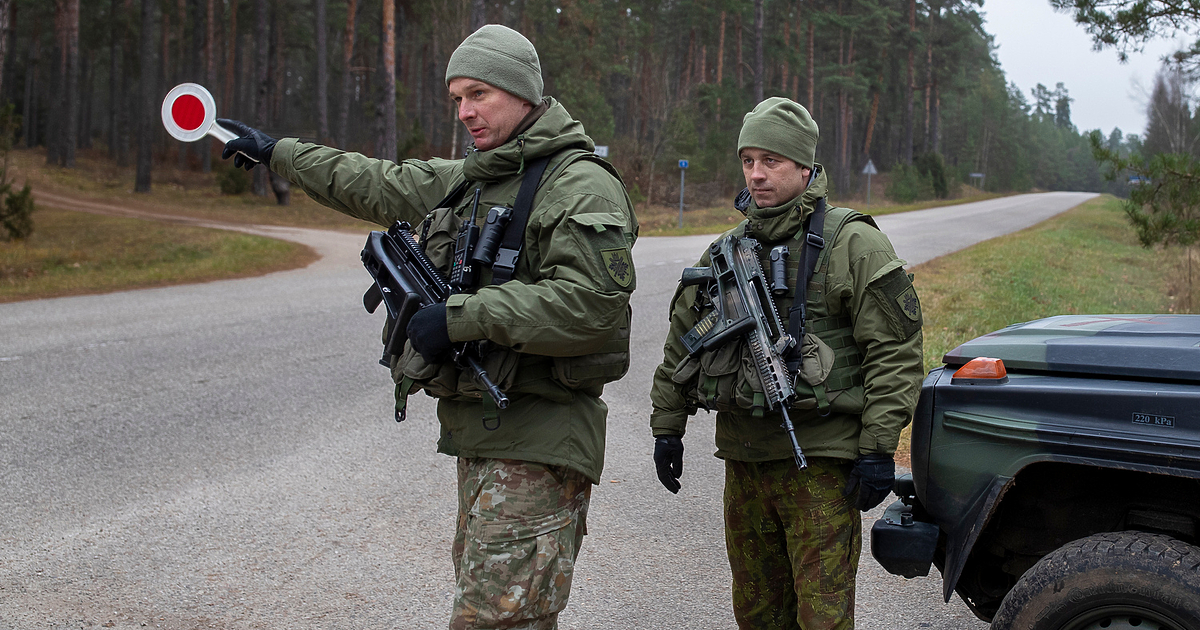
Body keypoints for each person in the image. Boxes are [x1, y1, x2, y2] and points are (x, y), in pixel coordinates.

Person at [218, 24, 638, 630]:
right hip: (488, 440)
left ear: (522, 94)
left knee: (492, 620)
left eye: (478, 95)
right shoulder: (477, 178)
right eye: (456, 99)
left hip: (539, 440)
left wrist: (463, 318)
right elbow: (377, 182)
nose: (464, 112)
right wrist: (275, 151)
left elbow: (592, 304)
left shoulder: (578, 184)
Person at [648, 97, 923, 630]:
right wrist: (667, 428)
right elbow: (682, 344)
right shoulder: (724, 252)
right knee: (757, 616)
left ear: (804, 167)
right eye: (748, 160)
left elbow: (895, 352)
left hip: (819, 464)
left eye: (770, 161)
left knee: (822, 619)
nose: (756, 174)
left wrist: (877, 448)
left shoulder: (853, 243)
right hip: (744, 464)